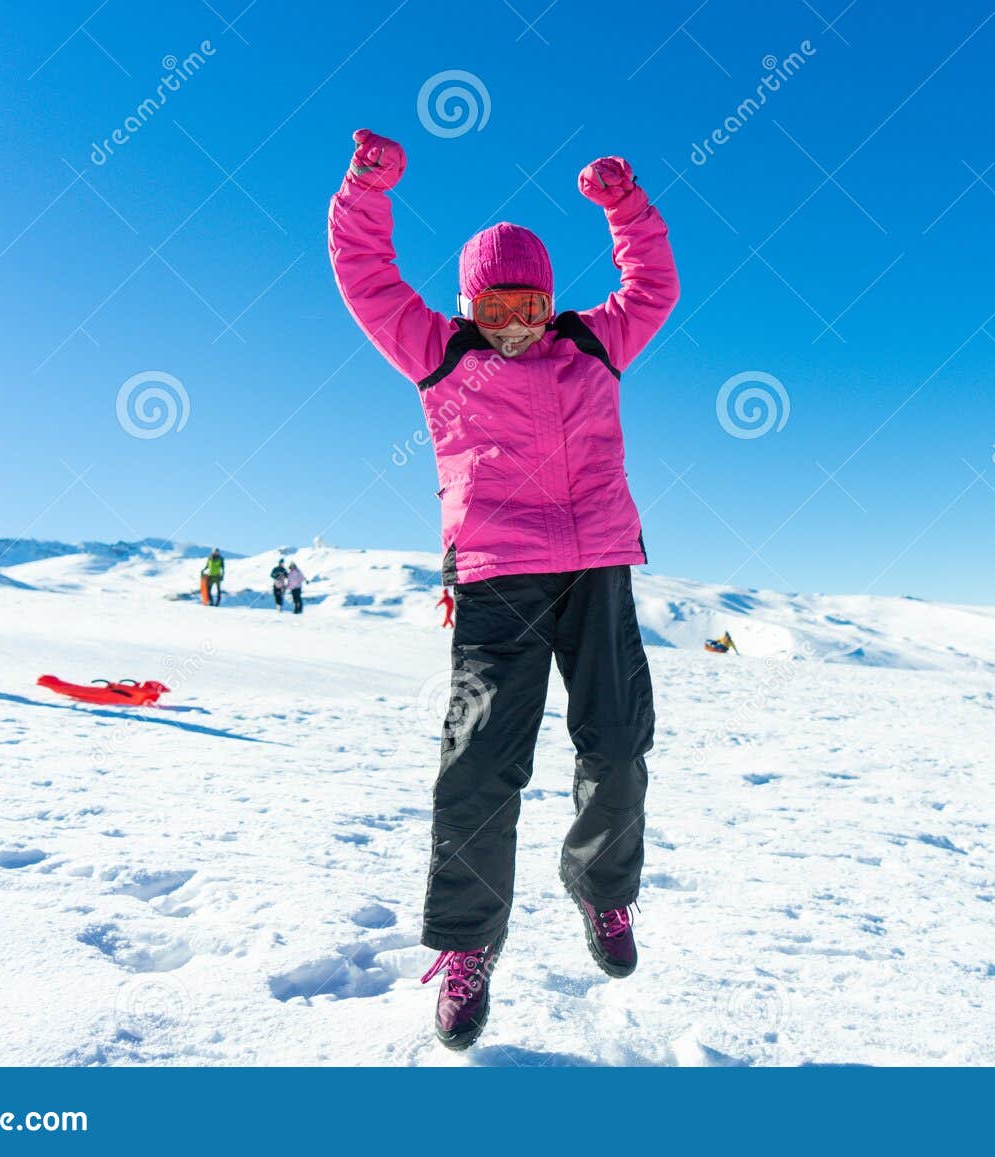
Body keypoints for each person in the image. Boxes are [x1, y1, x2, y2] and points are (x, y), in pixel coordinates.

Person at [329, 128, 677, 1051]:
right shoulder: (438, 353)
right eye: (495, 304)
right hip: (497, 578)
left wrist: (626, 207)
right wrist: (368, 189)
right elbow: (365, 275)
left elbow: (655, 288)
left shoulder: (594, 347)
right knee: (480, 766)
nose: (514, 321)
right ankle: (469, 945)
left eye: (528, 303)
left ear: (552, 300)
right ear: (467, 304)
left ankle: (603, 892)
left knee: (617, 741)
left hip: (598, 565)